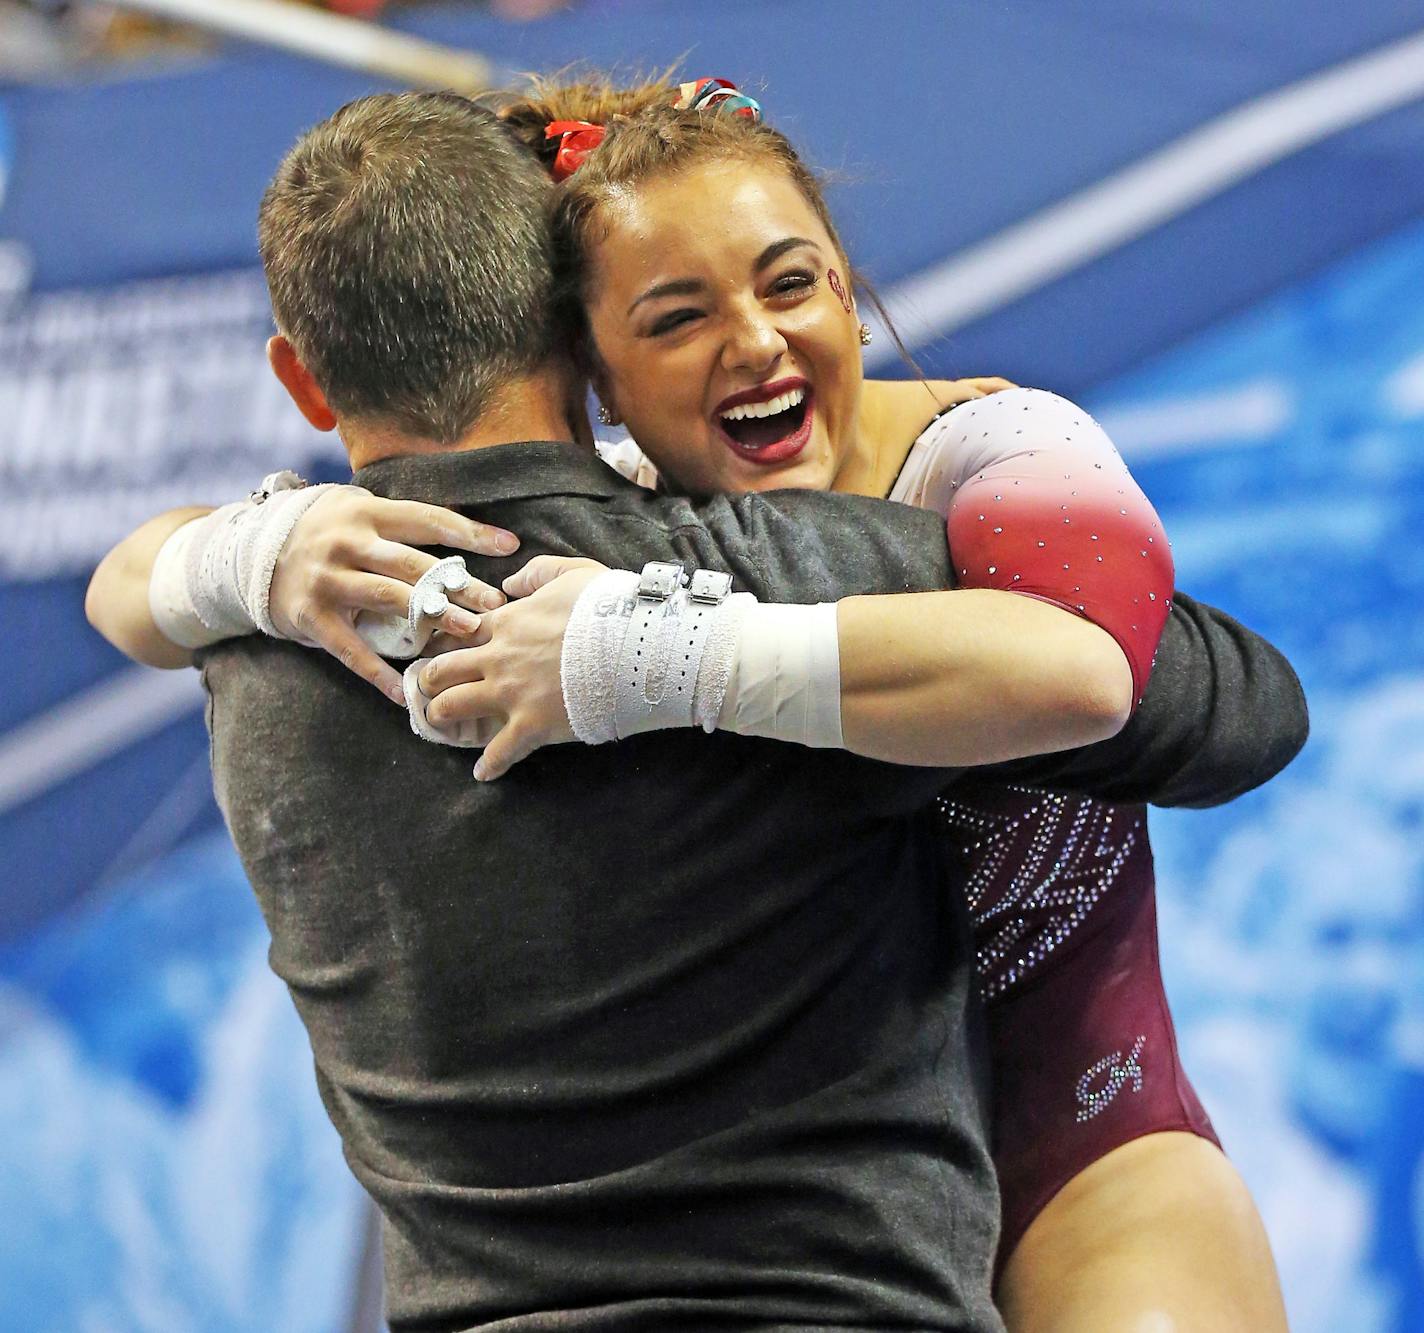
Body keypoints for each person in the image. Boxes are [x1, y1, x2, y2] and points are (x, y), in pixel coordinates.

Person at [85, 92, 1305, 1329]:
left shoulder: (980, 464)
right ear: (587, 356)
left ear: (847, 286)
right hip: (877, 1252)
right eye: (677, 316)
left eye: (791, 285)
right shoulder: (673, 543)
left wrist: (667, 652)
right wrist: (244, 553)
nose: (756, 344)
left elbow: (1145, 685)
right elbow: (122, 586)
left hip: (1079, 1165)